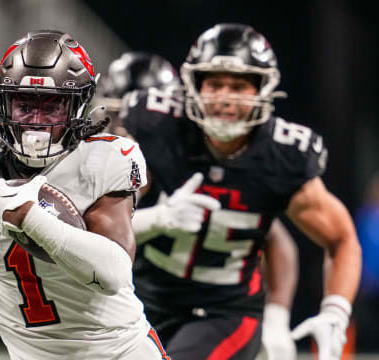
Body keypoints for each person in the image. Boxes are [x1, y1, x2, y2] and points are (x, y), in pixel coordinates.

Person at [0, 30, 171, 360]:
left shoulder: (104, 160)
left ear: (78, 106)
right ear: (4, 101)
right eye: (24, 104)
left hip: (118, 351)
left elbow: (114, 273)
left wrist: (33, 219)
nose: (36, 121)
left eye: (51, 107)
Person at [121, 23, 361, 359]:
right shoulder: (160, 129)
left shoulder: (282, 154)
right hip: (142, 298)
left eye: (239, 86)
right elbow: (106, 218)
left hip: (224, 312)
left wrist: (335, 312)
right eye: (215, 84)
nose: (225, 97)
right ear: (194, 87)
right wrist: (157, 218)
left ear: (263, 90)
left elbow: (341, 238)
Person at [102, 51, 300, 360]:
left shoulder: (179, 157)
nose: (126, 129)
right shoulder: (104, 164)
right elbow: (94, 233)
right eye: (116, 116)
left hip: (213, 309)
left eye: (137, 120)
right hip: (144, 298)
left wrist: (277, 317)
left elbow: (277, 240)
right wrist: (158, 218)